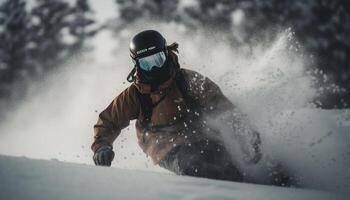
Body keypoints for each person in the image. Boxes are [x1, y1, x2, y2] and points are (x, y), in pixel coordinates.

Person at [91, 30, 261, 182]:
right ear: (137, 64)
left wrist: (244, 131)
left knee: (228, 168)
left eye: (158, 59)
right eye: (147, 64)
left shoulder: (187, 80)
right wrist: (102, 146)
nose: (155, 68)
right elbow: (108, 121)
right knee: (196, 165)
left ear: (166, 53)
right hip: (164, 145)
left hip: (203, 136)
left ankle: (260, 183)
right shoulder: (135, 94)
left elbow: (220, 105)